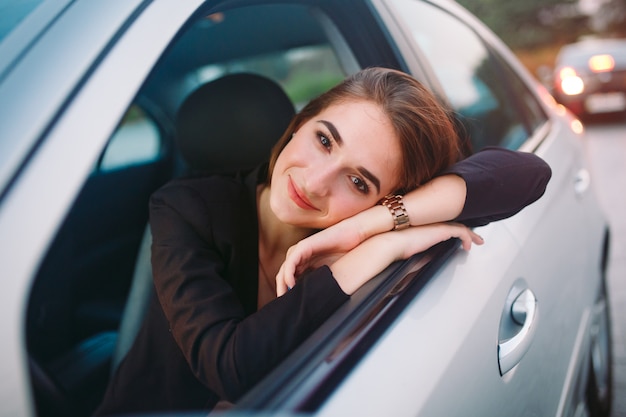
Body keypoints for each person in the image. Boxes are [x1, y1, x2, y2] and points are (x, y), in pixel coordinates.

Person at [94, 67, 551, 415]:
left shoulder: (370, 226)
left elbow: (529, 175)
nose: (314, 183)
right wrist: (373, 250)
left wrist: (370, 228)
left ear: (384, 198)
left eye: (357, 181)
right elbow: (230, 369)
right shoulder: (186, 207)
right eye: (325, 140)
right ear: (299, 122)